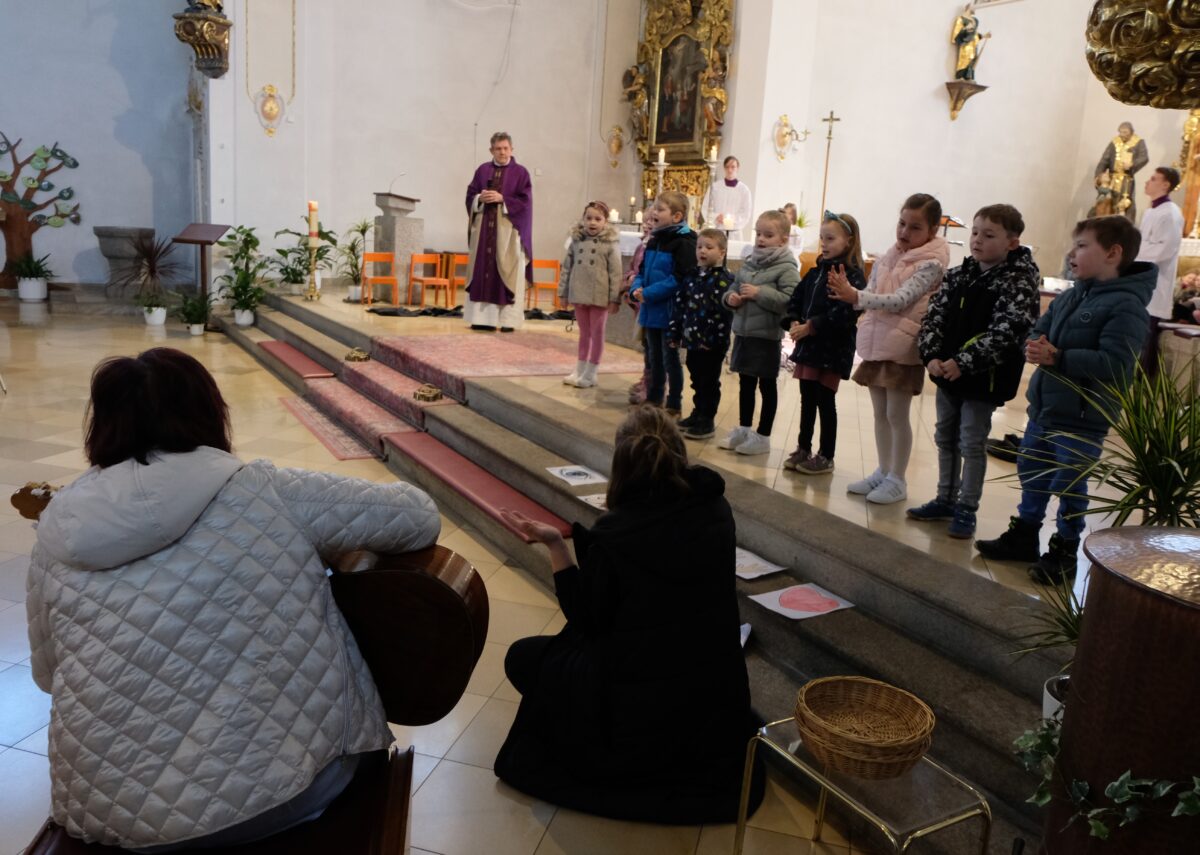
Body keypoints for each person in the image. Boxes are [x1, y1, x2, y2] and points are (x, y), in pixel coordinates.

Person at [25, 348, 440, 851]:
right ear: (208, 411)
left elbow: (48, 677)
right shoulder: (265, 488)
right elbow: (417, 514)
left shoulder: (59, 528)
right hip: (285, 794)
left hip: (110, 817)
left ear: (103, 425)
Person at [494, 406, 760, 824]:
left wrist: (556, 546)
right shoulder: (714, 509)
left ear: (622, 466)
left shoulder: (617, 536)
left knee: (523, 658)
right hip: (712, 696)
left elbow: (587, 621)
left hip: (640, 709)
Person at [976, 216, 1154, 583]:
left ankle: (1065, 549)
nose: (1071, 253)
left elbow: (1117, 364)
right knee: (1033, 473)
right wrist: (1036, 344)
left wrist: (1058, 357)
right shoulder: (1074, 294)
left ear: (1113, 253)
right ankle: (1024, 536)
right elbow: (1041, 327)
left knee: (1069, 484)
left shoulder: (1127, 306)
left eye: (1082, 246)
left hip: (1082, 415)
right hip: (1045, 407)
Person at [908, 204, 1041, 539]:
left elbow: (1007, 332)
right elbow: (934, 318)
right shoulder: (959, 274)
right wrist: (932, 356)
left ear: (1012, 242)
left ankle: (966, 508)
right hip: (947, 373)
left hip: (984, 378)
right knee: (944, 436)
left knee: (971, 441)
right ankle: (944, 498)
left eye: (989, 234)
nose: (978, 240)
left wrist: (962, 362)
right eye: (975, 232)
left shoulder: (1019, 282)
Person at [828, 193, 949, 504]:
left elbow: (899, 301)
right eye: (902, 223)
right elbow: (870, 293)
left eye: (915, 227)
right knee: (880, 414)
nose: (904, 232)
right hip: (878, 341)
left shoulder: (931, 264)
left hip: (902, 345)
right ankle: (883, 471)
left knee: (897, 415)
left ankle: (898, 479)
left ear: (932, 231)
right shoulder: (887, 257)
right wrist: (849, 297)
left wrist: (854, 296)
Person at [781, 211, 866, 475]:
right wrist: (794, 321)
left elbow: (844, 313)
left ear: (848, 242)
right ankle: (803, 447)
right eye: (822, 238)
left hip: (832, 349)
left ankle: (826, 455)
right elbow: (795, 299)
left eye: (830, 238)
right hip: (809, 347)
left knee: (824, 401)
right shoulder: (816, 272)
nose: (824, 244)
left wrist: (812, 326)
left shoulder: (853, 277)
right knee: (807, 399)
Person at [718, 209, 800, 456]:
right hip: (744, 333)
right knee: (745, 383)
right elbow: (732, 288)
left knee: (766, 385)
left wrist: (759, 293)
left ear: (783, 239)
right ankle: (744, 428)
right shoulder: (750, 262)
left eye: (768, 235)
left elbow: (790, 300)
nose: (761, 239)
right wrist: (729, 298)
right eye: (758, 234)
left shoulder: (786, 267)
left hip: (766, 336)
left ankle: (763, 436)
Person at [631, 191, 696, 415]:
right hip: (650, 309)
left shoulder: (685, 242)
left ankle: (674, 403)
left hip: (670, 312)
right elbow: (640, 271)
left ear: (677, 216)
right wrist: (635, 289)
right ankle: (654, 397)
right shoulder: (655, 239)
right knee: (653, 357)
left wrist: (648, 293)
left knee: (670, 359)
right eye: (654, 207)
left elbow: (679, 278)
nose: (653, 212)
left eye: (660, 209)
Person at [668, 227, 734, 440]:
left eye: (709, 247)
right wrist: (675, 333)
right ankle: (697, 413)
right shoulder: (691, 276)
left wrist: (712, 340)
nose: (702, 251)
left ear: (722, 252)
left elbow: (724, 315)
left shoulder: (725, 279)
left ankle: (707, 419)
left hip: (713, 343)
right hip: (692, 339)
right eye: (699, 247)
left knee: (709, 380)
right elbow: (680, 305)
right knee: (696, 377)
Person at [464, 131, 534, 332]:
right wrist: (479, 198)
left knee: (507, 272)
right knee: (482, 271)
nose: (502, 152)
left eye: (505, 148)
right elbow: (469, 195)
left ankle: (507, 321)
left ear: (512, 149)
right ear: (491, 150)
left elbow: (526, 203)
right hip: (484, 231)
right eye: (498, 149)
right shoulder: (482, 170)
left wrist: (503, 199)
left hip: (508, 233)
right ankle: (482, 319)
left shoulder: (521, 173)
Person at [559, 201, 622, 388]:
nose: (592, 223)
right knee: (584, 333)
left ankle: (591, 372)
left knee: (597, 333)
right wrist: (563, 292)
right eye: (588, 218)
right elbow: (566, 268)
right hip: (579, 292)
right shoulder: (577, 240)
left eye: (597, 219)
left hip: (599, 296)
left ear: (606, 221)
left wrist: (614, 298)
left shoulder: (610, 243)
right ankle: (579, 369)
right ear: (583, 219)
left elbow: (616, 273)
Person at [1135, 165, 1185, 372]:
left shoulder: (1171, 213)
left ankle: (1143, 385)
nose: (1148, 182)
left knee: (1147, 338)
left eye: (1154, 179)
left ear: (1166, 185)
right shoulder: (1151, 211)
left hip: (1156, 284)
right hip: (1141, 278)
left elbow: (1164, 249)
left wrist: (1135, 255)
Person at [624, 206, 657, 405]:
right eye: (645, 221)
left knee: (653, 347)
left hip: (650, 301)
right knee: (646, 346)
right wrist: (630, 278)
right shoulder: (640, 246)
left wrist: (639, 280)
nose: (647, 225)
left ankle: (653, 383)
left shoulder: (658, 248)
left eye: (652, 221)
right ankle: (646, 378)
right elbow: (631, 269)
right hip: (639, 302)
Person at [1094, 122, 1148, 221]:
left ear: (1131, 132)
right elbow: (1104, 161)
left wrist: (1132, 164)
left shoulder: (1138, 142)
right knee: (1106, 205)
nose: (1122, 134)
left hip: (1126, 180)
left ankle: (1124, 228)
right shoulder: (1114, 142)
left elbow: (1144, 157)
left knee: (1125, 204)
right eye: (1120, 132)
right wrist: (1098, 178)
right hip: (1112, 179)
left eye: (1125, 132)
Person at [703, 156, 754, 239]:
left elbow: (746, 213)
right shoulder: (715, 187)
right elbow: (706, 208)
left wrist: (730, 220)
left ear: (737, 168)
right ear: (724, 168)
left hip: (734, 233)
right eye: (727, 167)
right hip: (717, 230)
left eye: (733, 167)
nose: (730, 170)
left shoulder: (744, 190)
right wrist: (716, 217)